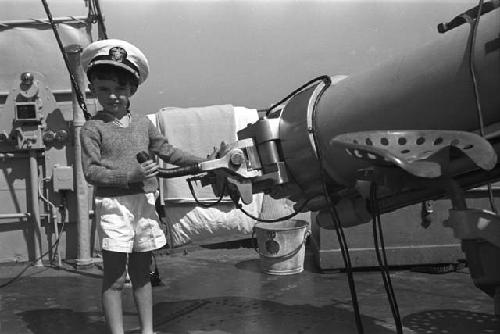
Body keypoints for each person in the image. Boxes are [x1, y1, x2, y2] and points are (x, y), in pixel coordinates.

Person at [80, 39, 211, 334]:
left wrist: (206, 163)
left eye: (121, 89)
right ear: (93, 89)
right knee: (115, 278)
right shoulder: (92, 128)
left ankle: (148, 331)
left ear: (132, 90)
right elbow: (92, 172)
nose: (113, 96)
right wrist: (133, 175)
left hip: (144, 204)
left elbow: (168, 152)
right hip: (114, 207)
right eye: (104, 89)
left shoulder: (143, 124)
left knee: (142, 275)